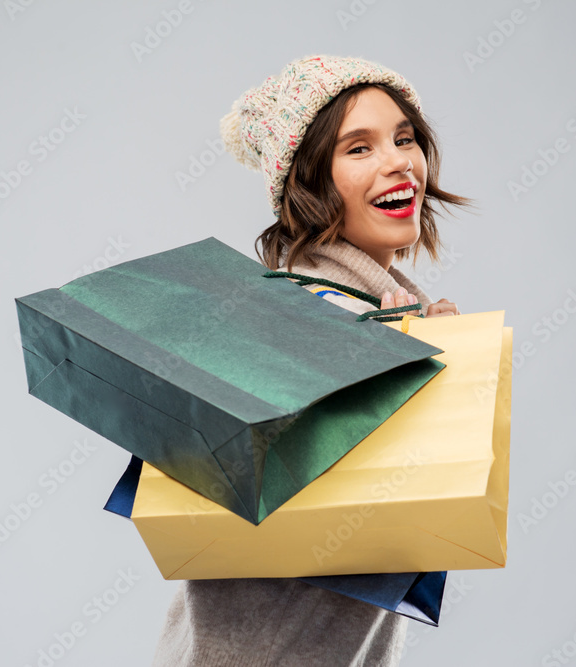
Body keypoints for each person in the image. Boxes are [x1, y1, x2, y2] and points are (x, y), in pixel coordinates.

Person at [152, 54, 470, 667]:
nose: (398, 161)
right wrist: (391, 365)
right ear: (309, 184)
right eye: (359, 148)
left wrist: (432, 357)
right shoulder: (301, 313)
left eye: (405, 139)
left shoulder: (375, 307)